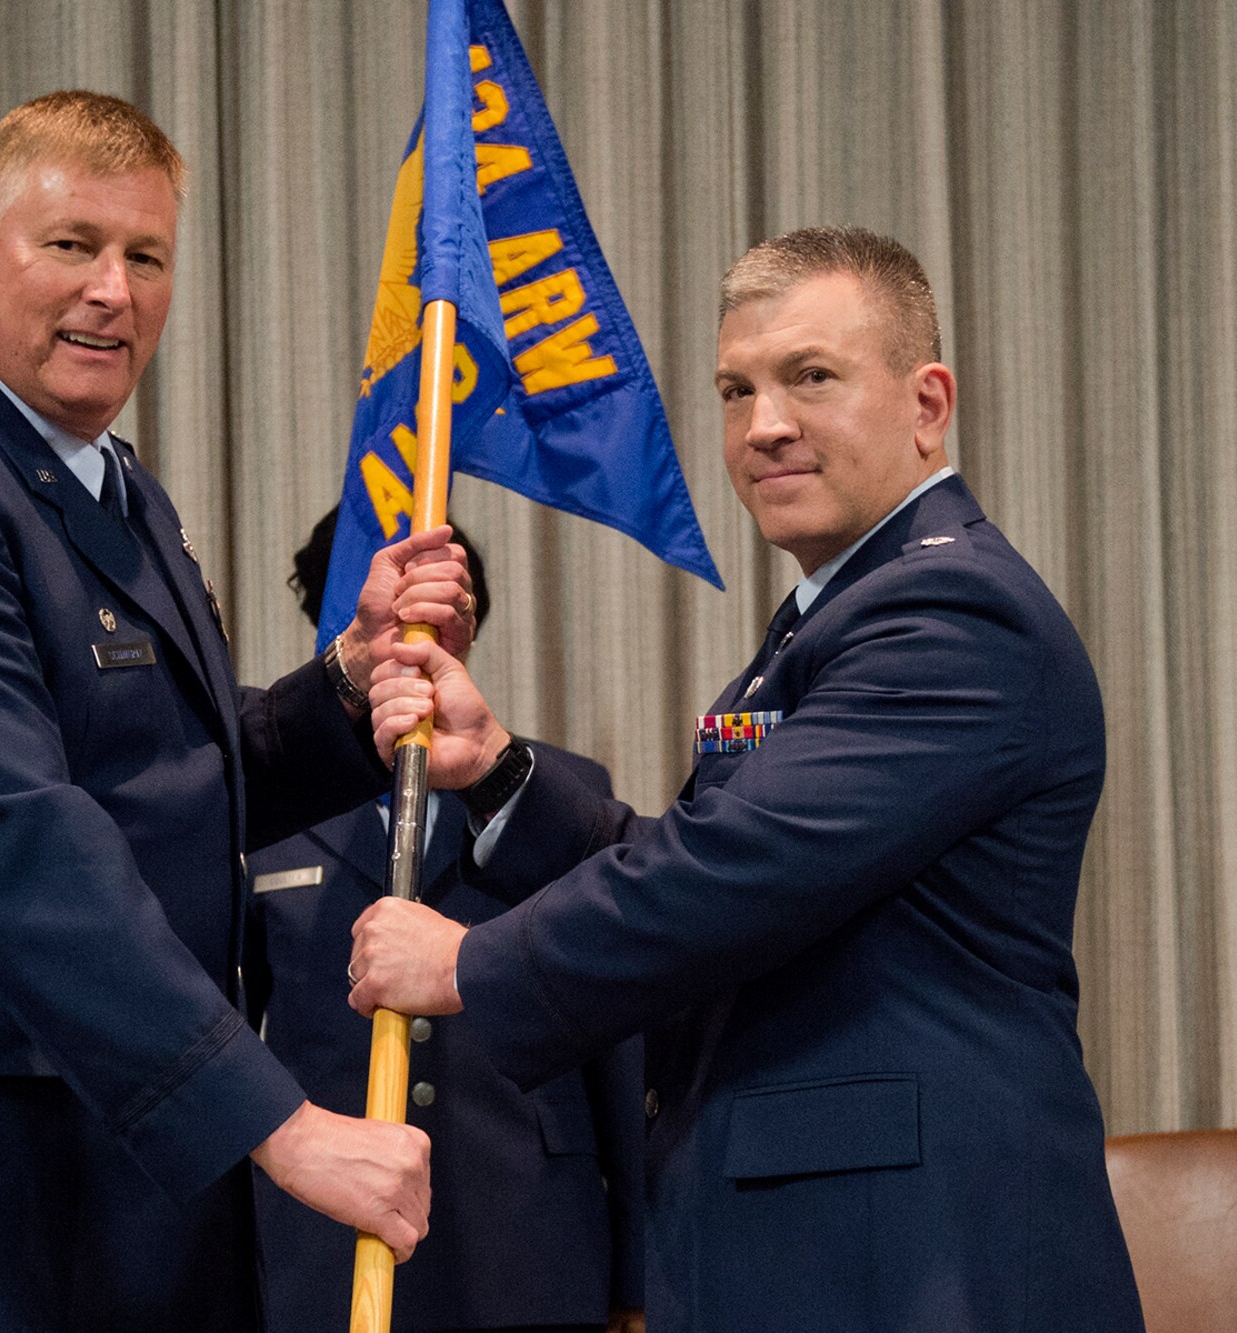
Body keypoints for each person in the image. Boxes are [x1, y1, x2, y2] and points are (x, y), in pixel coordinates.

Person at [0, 91, 474, 1332]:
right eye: (70, 244)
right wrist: (279, 1121)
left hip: (109, 1198)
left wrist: (344, 687)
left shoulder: (115, 489)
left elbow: (164, 781)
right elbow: (18, 842)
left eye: (145, 256)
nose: (111, 293)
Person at [348, 227, 1146, 1330]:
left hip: (910, 1259)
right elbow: (718, 862)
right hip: (810, 1244)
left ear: (926, 403)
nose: (762, 425)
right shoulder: (829, 618)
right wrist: (499, 773)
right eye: (734, 389)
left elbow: (732, 870)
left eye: (809, 377)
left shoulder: (953, 615)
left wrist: (472, 963)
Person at [245, 509, 646, 1333]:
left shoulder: (557, 788)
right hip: (320, 1246)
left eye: (434, 616)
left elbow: (616, 1026)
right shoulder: (265, 808)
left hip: (526, 1238)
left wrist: (635, 1269)